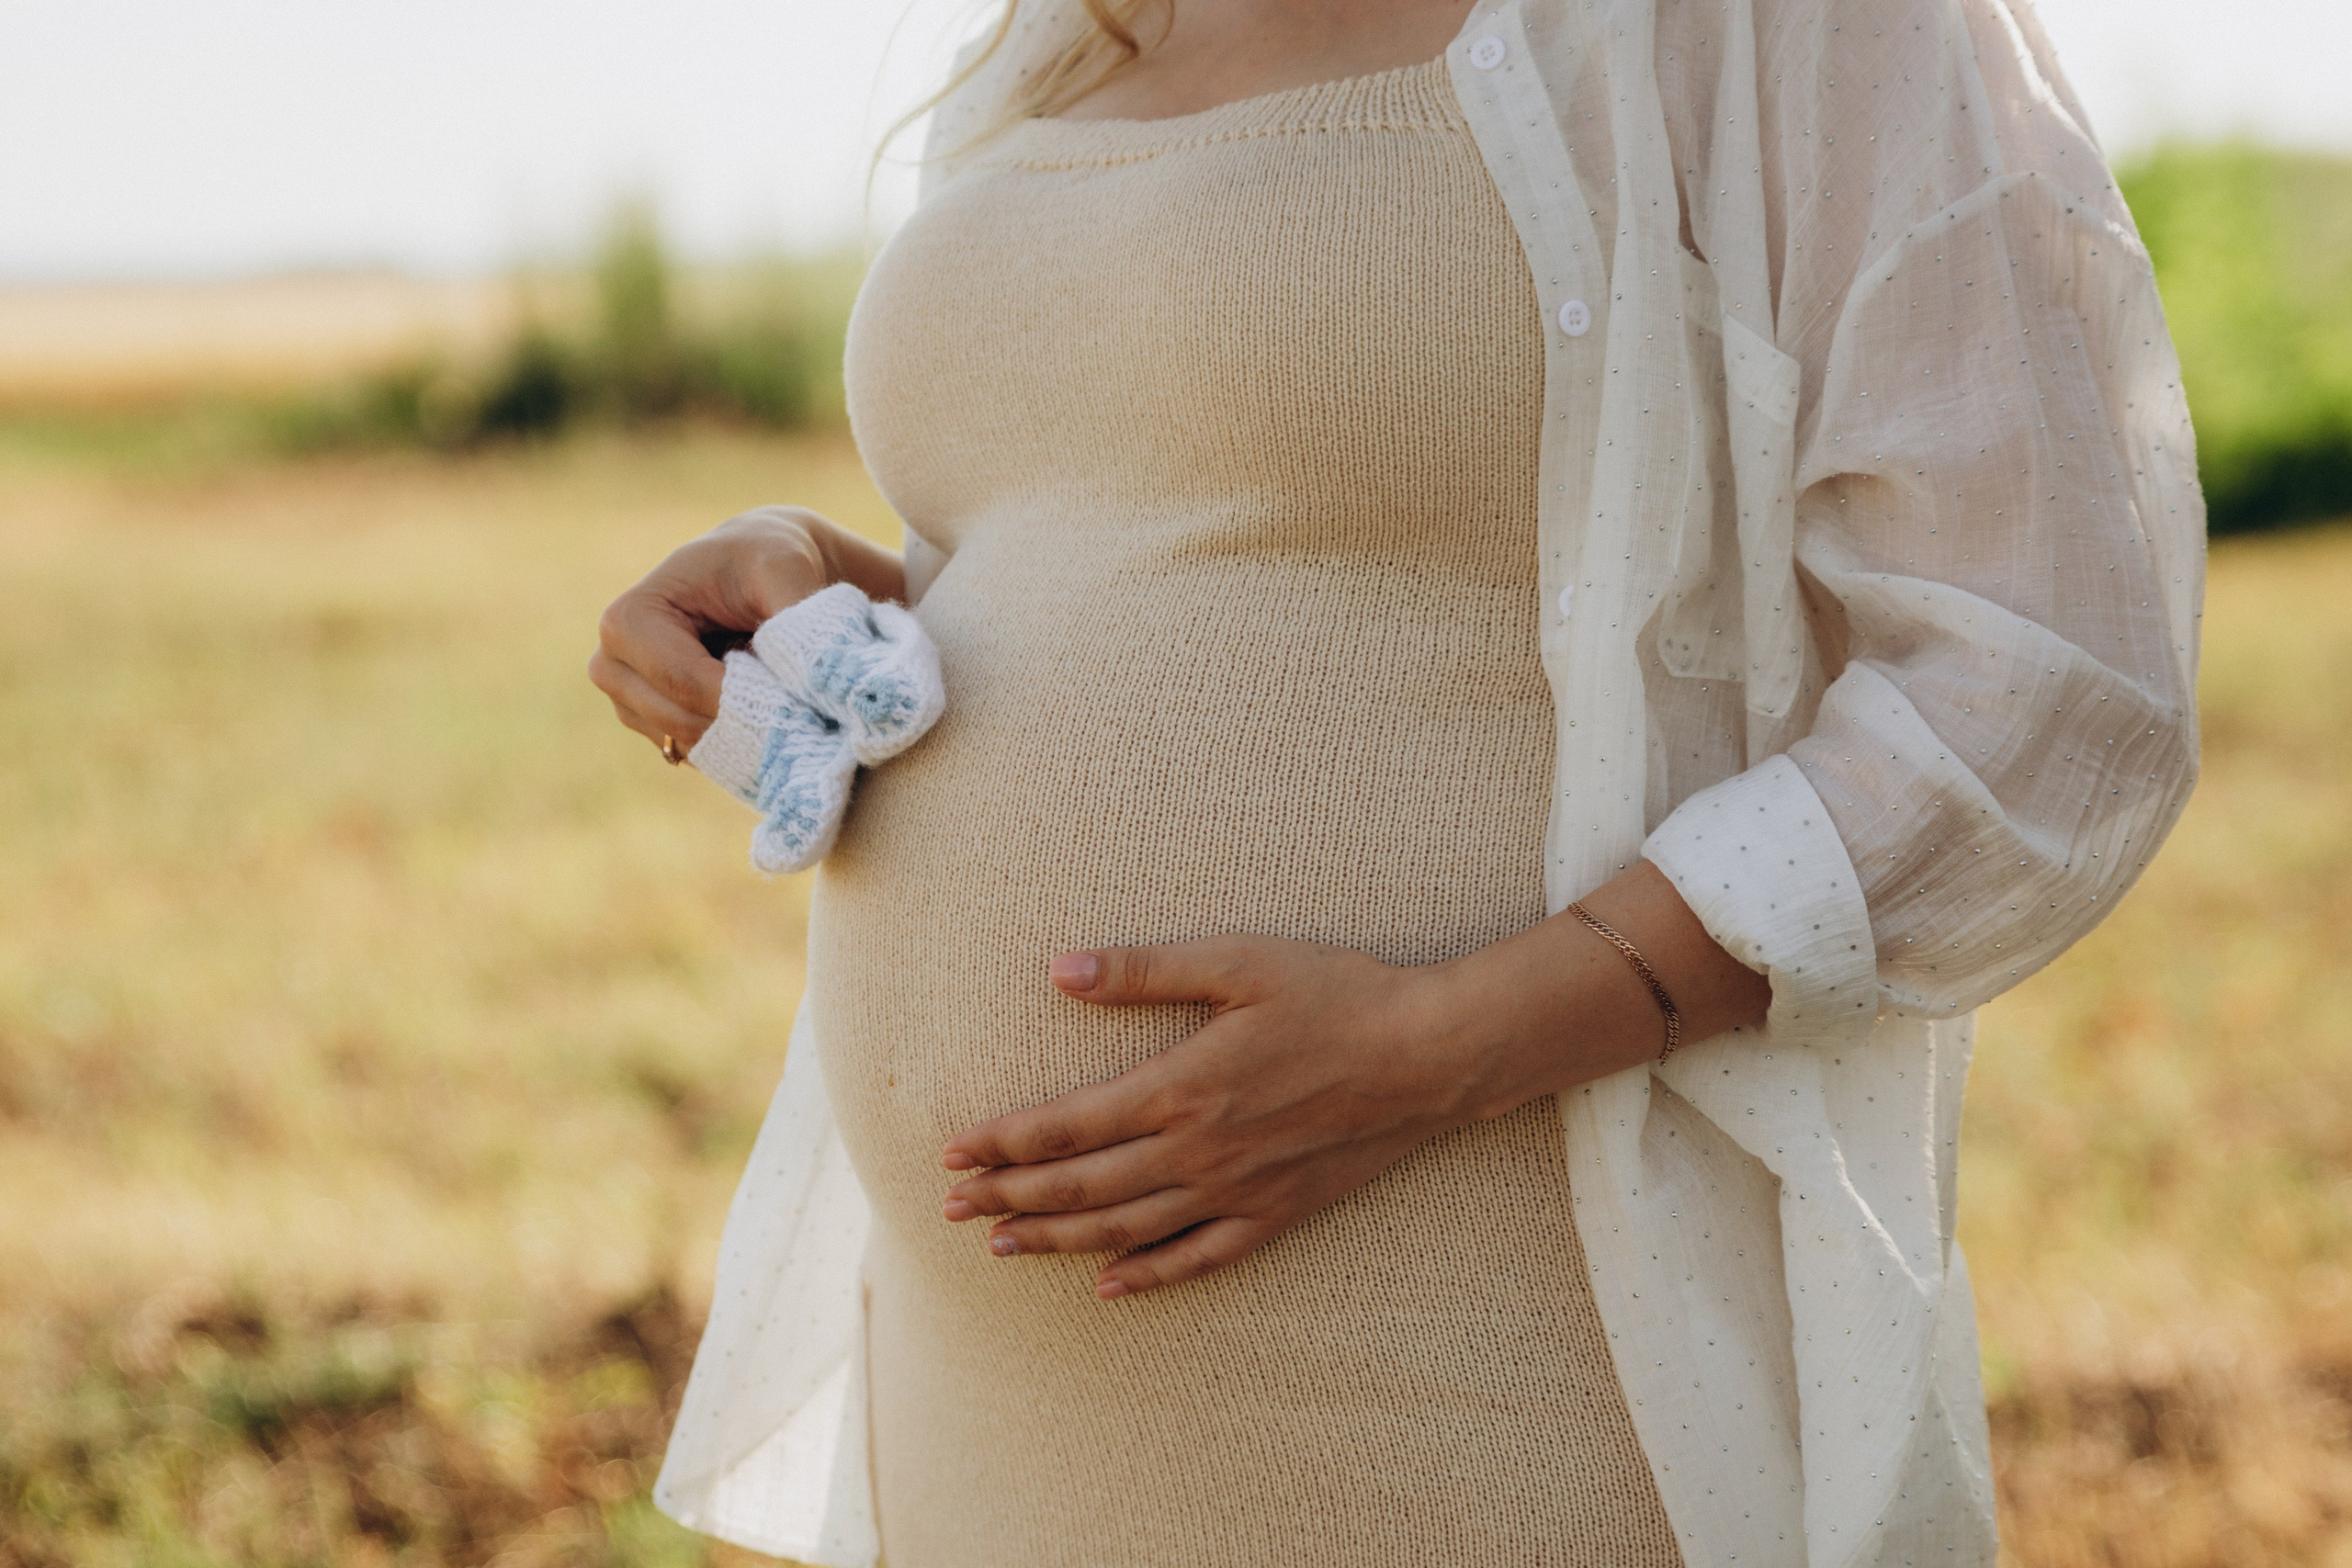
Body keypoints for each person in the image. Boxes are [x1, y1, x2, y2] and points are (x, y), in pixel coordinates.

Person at [588, 0, 2207, 1562]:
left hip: (1484, 1344)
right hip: (1001, 1397)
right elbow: (1144, 546)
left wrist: (1436, 1051)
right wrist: (814, 583)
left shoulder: (1789, 24)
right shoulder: (1057, 38)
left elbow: (2054, 679)